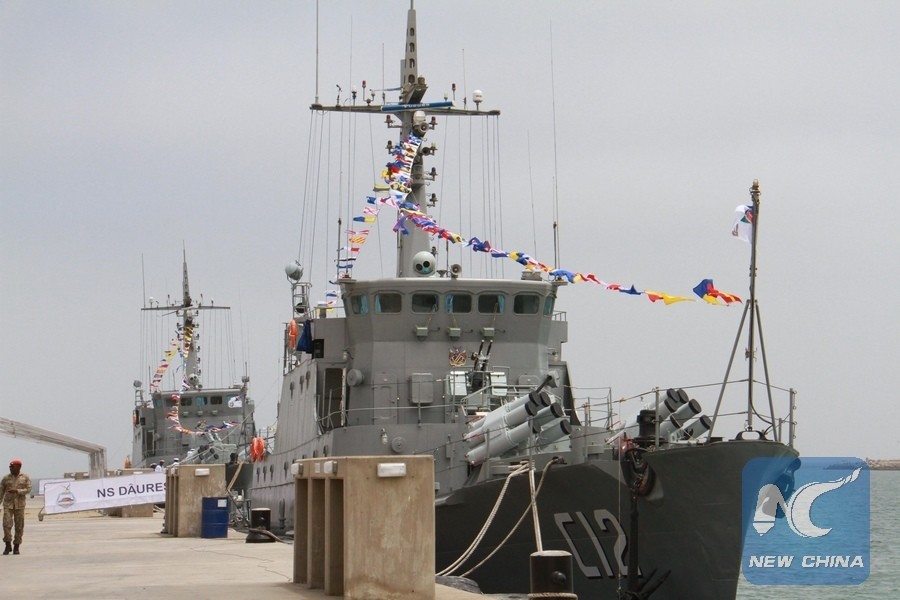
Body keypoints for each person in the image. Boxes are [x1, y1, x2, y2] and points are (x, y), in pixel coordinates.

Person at [2, 459, 32, 555]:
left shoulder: (25, 477)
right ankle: (7, 544)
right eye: (10, 467)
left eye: (12, 467)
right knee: (6, 525)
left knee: (19, 526)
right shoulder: (6, 478)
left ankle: (16, 546)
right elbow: (1, 491)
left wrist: (17, 491)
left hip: (20, 505)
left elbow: (28, 489)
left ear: (19, 467)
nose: (11, 468)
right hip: (8, 505)